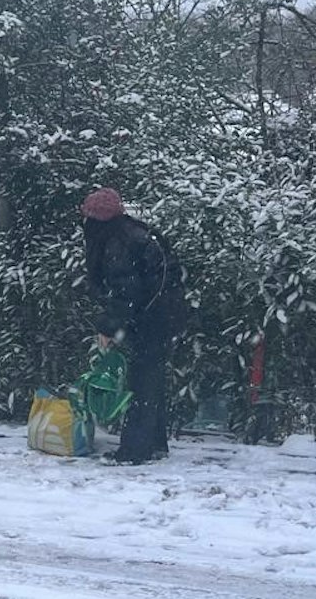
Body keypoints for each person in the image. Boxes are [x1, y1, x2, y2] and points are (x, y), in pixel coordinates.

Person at [80, 186, 185, 464]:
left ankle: (135, 451)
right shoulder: (132, 233)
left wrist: (108, 328)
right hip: (162, 313)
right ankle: (154, 444)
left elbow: (124, 292)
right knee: (150, 380)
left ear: (96, 220)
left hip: (152, 317)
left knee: (141, 382)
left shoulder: (117, 243)